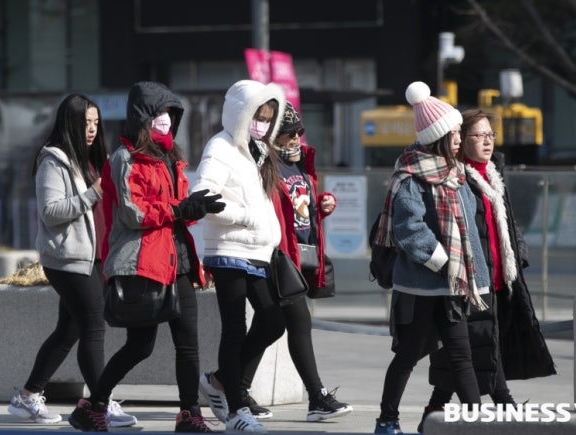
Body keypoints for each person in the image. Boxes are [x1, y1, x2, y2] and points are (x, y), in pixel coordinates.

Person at [67, 81, 225, 433]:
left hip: (178, 258)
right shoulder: (124, 158)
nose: (166, 120)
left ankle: (189, 414)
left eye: (170, 113)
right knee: (140, 345)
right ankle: (93, 406)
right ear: (143, 117)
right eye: (160, 113)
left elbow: (178, 210)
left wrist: (195, 207)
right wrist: (180, 208)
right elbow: (133, 213)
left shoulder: (173, 157)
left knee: (188, 343)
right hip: (143, 261)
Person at [416, 108, 555, 432]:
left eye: (490, 135)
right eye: (478, 135)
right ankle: (504, 407)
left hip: (498, 278)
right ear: (461, 140)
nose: (487, 141)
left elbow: (507, 222)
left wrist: (517, 257)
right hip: (467, 280)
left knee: (478, 348)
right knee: (475, 348)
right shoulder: (457, 178)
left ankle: (432, 415)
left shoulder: (492, 174)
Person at [7, 93, 136, 428]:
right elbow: (51, 213)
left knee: (69, 331)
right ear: (70, 123)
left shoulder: (95, 158)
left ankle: (27, 396)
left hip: (95, 258)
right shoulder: (54, 160)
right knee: (94, 326)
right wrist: (93, 191)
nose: (91, 129)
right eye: (84, 123)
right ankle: (101, 402)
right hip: (67, 259)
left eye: (95, 122)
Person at [373, 81, 491, 435]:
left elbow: (468, 230)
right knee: (408, 354)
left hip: (453, 284)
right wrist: (443, 262)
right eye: (454, 133)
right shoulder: (410, 176)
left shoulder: (456, 173)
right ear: (438, 137)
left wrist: (464, 271)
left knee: (461, 354)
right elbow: (410, 230)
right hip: (423, 285)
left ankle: (478, 424)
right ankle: (387, 419)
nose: (459, 137)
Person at [232, 102, 353, 422]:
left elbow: (300, 210)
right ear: (272, 138)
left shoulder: (299, 164)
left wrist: (323, 206)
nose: (296, 138)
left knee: (267, 324)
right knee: (298, 322)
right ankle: (316, 396)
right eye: (288, 134)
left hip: (301, 254)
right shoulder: (263, 167)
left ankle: (230, 385)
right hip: (277, 256)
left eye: (299, 131)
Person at [191, 79, 288, 433]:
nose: (262, 124)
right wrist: (243, 216)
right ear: (240, 115)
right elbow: (201, 194)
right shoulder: (220, 147)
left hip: (257, 252)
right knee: (234, 329)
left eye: (267, 118)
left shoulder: (256, 151)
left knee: (273, 322)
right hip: (228, 250)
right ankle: (235, 410)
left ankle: (218, 381)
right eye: (257, 116)